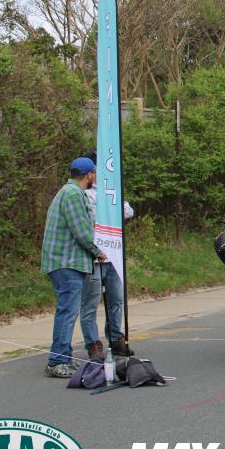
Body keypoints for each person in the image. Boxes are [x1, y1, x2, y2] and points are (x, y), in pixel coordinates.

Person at [41, 157, 105, 378]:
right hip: (66, 262)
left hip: (65, 262)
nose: (95, 176)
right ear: (89, 174)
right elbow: (82, 231)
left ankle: (65, 358)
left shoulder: (70, 192)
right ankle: (56, 361)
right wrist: (98, 251)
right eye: (94, 173)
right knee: (67, 311)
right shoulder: (73, 194)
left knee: (68, 310)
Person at [80, 151, 135, 359]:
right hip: (93, 256)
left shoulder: (112, 189)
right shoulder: (84, 194)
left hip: (113, 254)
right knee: (90, 304)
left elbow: (128, 210)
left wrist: (110, 210)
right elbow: (91, 217)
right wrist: (110, 212)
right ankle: (93, 344)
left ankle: (115, 337)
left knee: (116, 300)